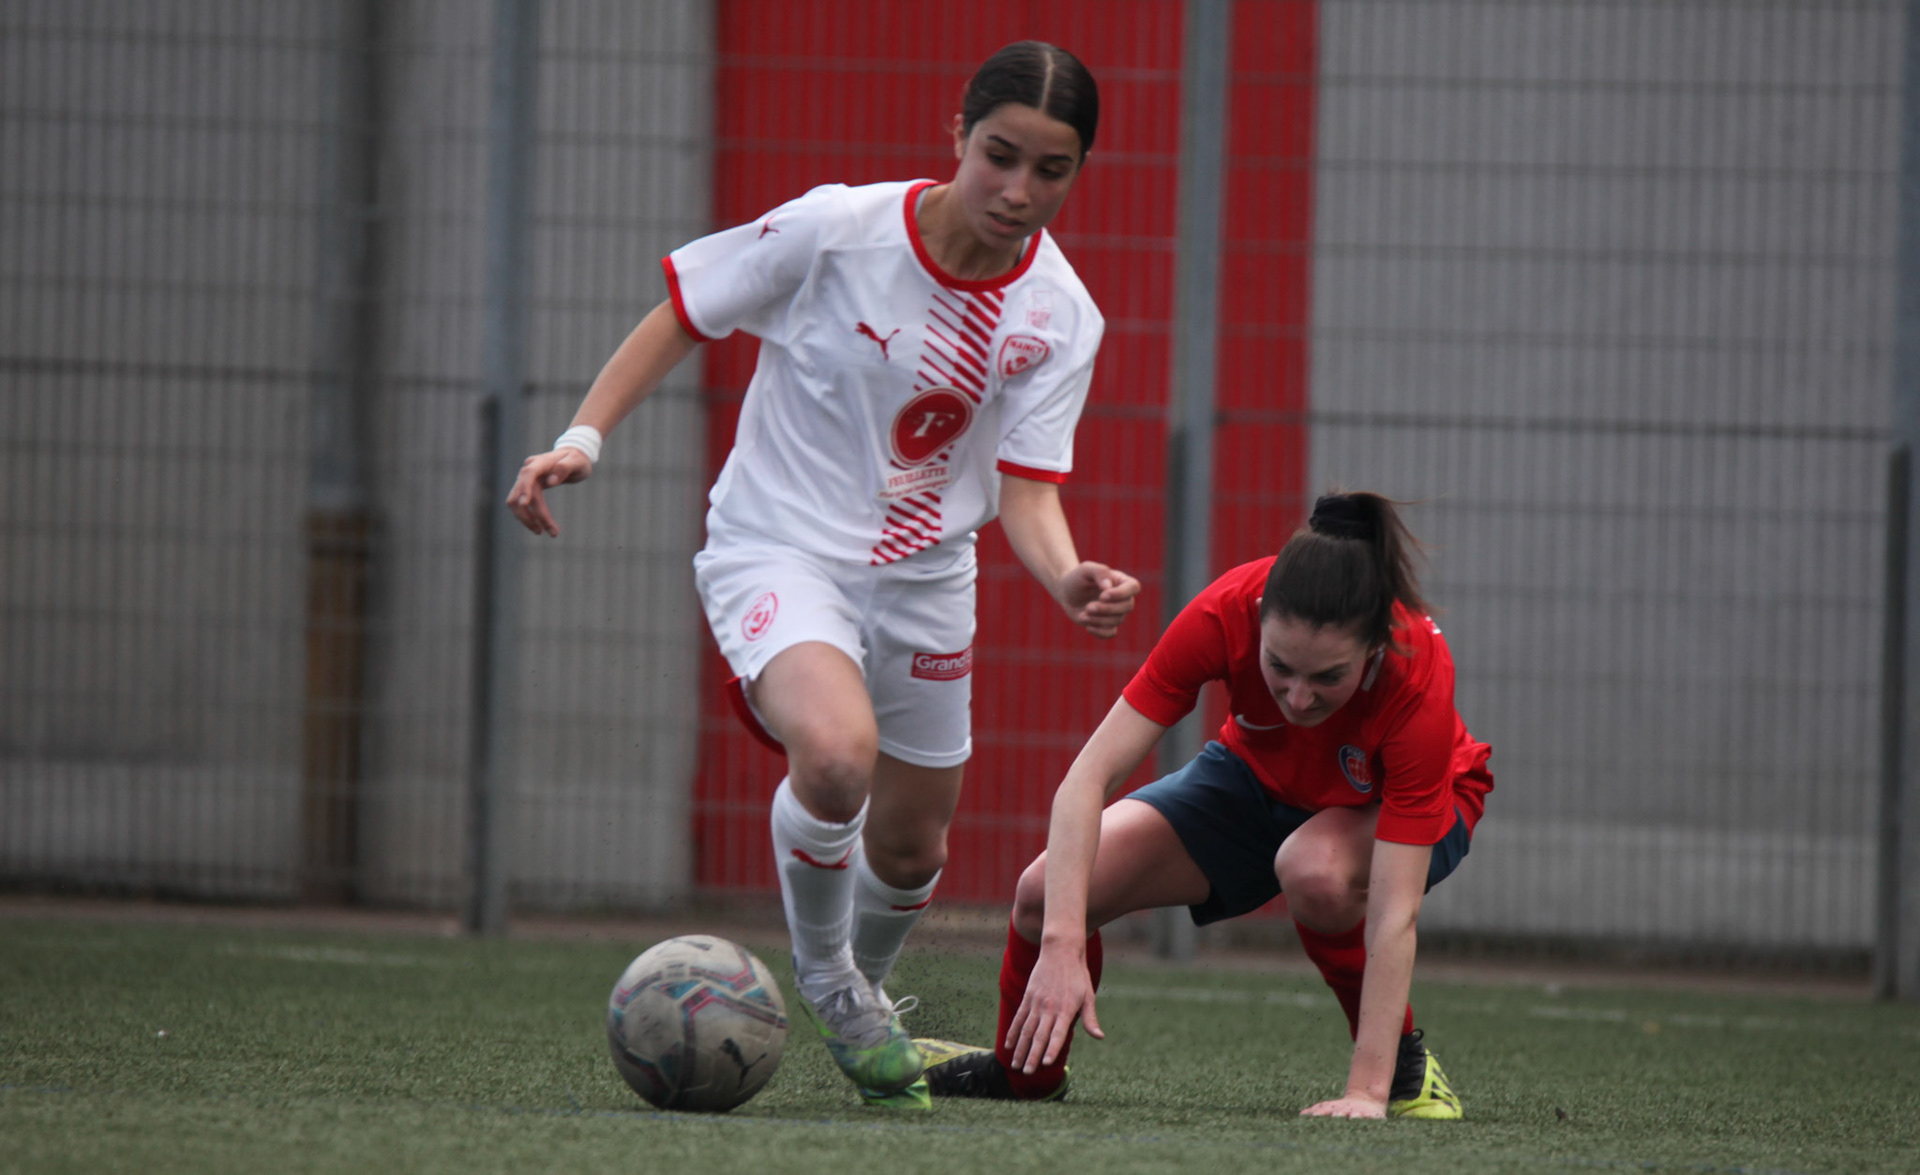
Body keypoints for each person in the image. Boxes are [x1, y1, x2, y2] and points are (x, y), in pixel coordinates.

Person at [507, 41, 1139, 1111]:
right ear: (957, 134)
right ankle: (834, 989)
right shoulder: (838, 229)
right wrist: (583, 437)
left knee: (912, 844)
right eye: (999, 156)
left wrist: (1067, 574)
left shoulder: (1059, 314)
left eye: (1052, 170)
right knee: (839, 757)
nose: (1019, 190)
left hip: (928, 575)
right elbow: (685, 311)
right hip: (780, 545)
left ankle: (865, 988)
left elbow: (1028, 492)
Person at [915, 492, 1492, 1119]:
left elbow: (1392, 914)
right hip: (1258, 782)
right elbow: (1087, 779)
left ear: (1375, 647)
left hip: (1406, 806)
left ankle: (1402, 1074)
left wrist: (1365, 1094)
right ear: (1260, 618)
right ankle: (1026, 1076)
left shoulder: (1416, 672)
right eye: (1280, 667)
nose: (1299, 698)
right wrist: (1061, 941)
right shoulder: (1225, 610)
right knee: (1043, 893)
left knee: (1316, 870)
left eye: (1328, 676)